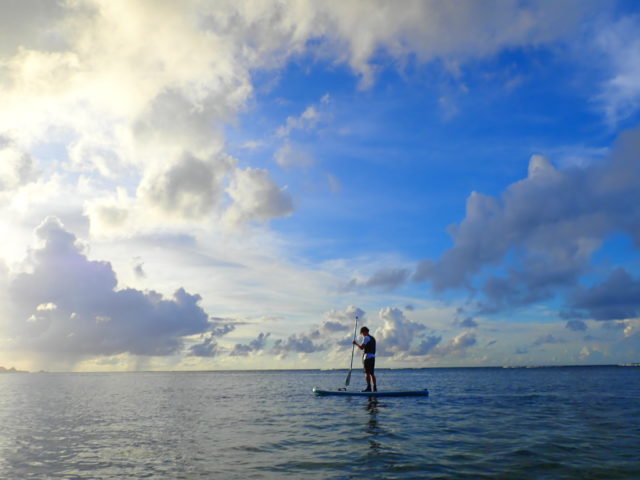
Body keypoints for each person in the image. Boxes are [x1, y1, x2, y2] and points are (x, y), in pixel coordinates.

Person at [353, 326, 377, 392]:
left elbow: (361, 347)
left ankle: (369, 388)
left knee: (367, 373)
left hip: (367, 358)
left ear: (364, 332)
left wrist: (355, 344)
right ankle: (374, 388)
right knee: (372, 373)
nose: (362, 335)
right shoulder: (373, 338)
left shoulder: (366, 338)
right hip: (373, 357)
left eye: (362, 333)